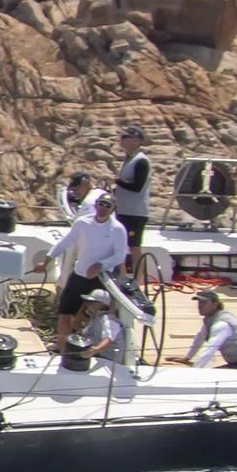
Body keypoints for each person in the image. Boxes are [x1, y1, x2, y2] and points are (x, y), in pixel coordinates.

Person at [52, 192, 130, 348]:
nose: (103, 208)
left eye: (108, 205)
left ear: (113, 209)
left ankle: (85, 346)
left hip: (100, 278)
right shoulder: (82, 222)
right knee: (65, 311)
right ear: (96, 205)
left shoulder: (118, 229)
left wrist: (101, 264)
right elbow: (66, 242)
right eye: (101, 204)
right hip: (79, 274)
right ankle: (62, 346)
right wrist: (48, 258)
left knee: (92, 314)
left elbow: (120, 256)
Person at [180, 288, 237, 371]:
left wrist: (194, 372)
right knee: (213, 375)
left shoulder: (221, 324)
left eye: (204, 302)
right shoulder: (211, 319)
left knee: (215, 378)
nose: (200, 306)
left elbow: (210, 349)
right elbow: (200, 337)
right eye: (199, 302)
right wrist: (187, 357)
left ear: (215, 304)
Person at [109, 126, 156, 262]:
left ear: (136, 141)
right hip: (123, 210)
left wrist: (115, 180)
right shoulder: (128, 159)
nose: (121, 140)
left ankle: (138, 280)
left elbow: (137, 187)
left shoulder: (141, 161)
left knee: (134, 247)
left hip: (135, 213)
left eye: (125, 137)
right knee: (120, 245)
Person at [64, 292, 124, 369]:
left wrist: (95, 349)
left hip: (109, 361)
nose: (87, 304)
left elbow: (108, 338)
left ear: (101, 304)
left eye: (91, 302)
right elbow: (87, 333)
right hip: (99, 355)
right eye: (87, 301)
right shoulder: (95, 317)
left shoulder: (109, 320)